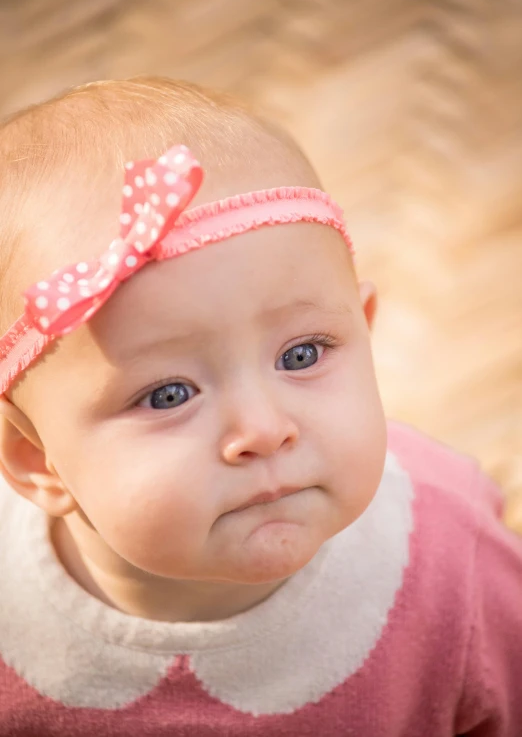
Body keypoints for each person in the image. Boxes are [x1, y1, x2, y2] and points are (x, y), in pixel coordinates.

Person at [0, 76, 520, 737]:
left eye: (302, 355)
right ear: (37, 459)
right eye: (169, 394)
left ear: (363, 327)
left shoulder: (454, 571)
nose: (265, 430)